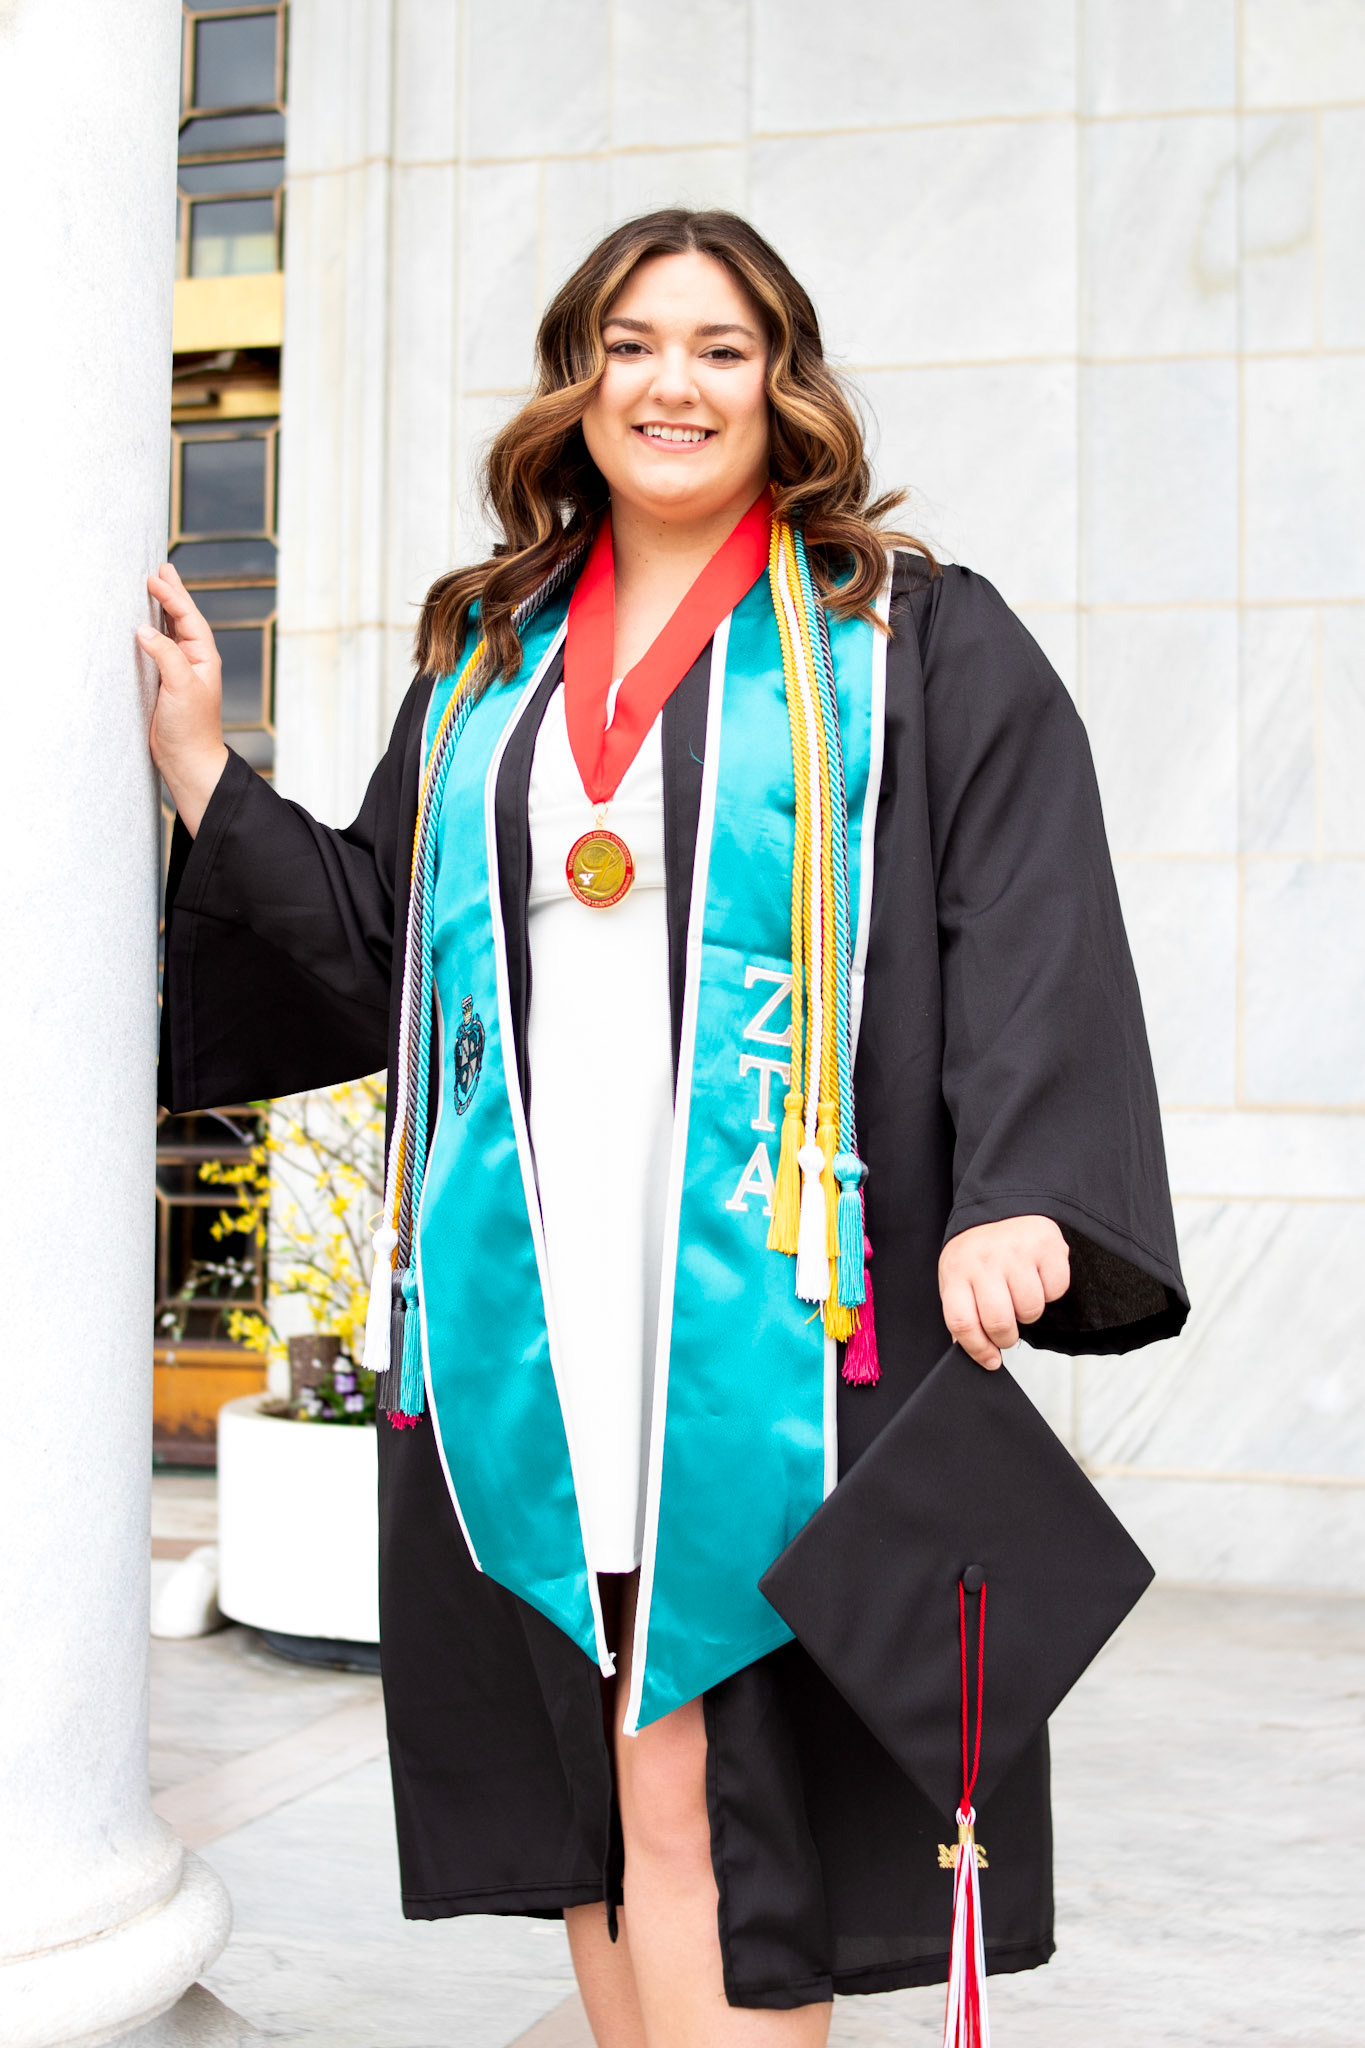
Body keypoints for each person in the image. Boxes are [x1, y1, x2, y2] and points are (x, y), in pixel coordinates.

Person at [143, 210, 1187, 2047]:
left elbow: (1026, 911)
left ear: (782, 384)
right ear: (579, 381)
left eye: (718, 347)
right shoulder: (487, 663)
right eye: (630, 345)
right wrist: (206, 775)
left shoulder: (903, 635)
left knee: (706, 1784)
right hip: (536, 1310)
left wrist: (1021, 1191)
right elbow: (386, 945)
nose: (671, 385)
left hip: (778, 1309)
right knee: (603, 1805)